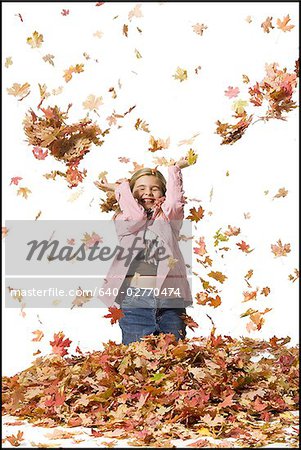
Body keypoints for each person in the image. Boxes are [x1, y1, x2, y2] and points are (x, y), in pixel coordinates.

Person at [94, 157, 193, 345]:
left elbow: (174, 204)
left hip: (170, 300)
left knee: (174, 358)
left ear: (163, 194)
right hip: (134, 302)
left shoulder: (169, 220)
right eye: (141, 188)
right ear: (130, 195)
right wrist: (121, 188)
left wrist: (175, 169)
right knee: (138, 361)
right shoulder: (123, 220)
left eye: (154, 189)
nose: (148, 193)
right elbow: (137, 215)